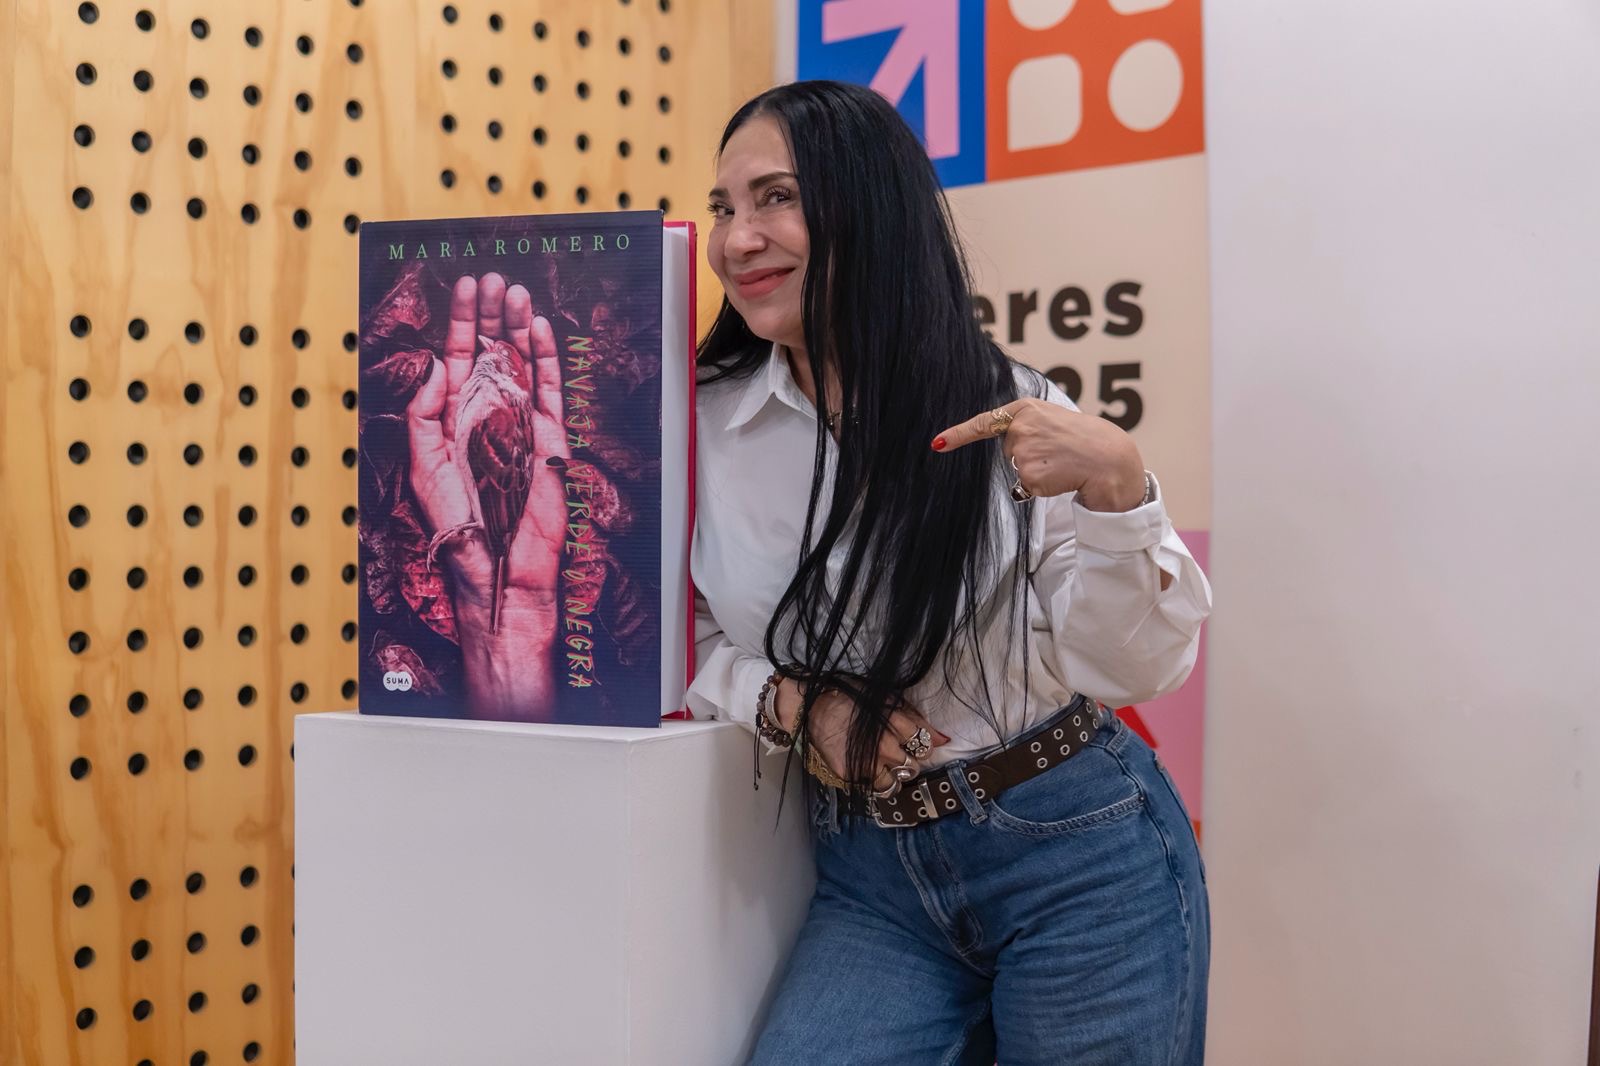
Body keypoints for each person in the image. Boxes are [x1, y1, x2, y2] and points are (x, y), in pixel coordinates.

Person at [686, 80, 1214, 1064]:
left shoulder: (1010, 406)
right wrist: (793, 703)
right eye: (724, 207)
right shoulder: (697, 426)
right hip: (870, 872)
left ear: (869, 206)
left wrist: (1118, 486)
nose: (736, 239)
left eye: (776, 197)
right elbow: (671, 632)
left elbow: (1131, 669)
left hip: (1078, 850)